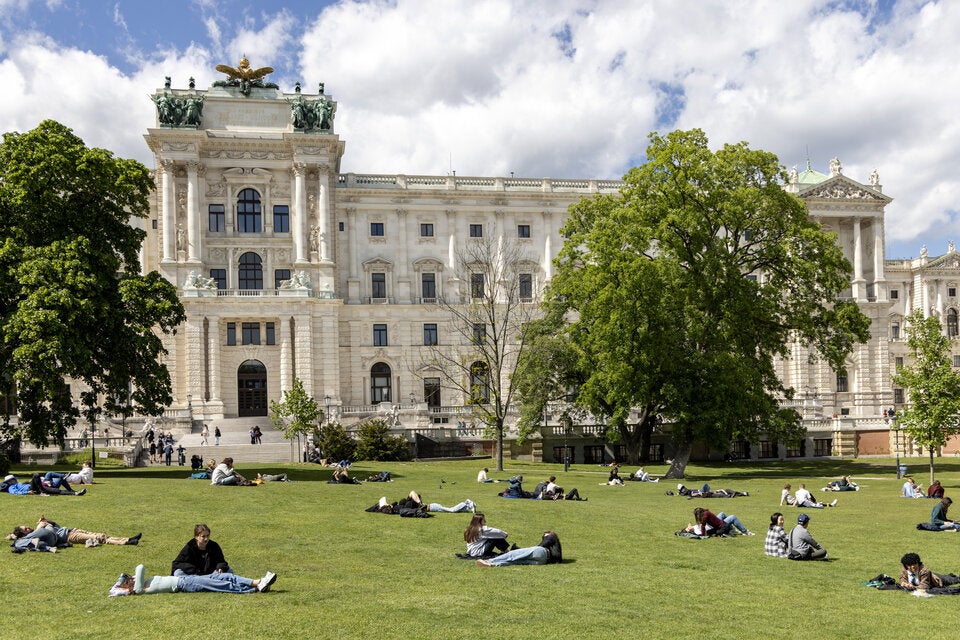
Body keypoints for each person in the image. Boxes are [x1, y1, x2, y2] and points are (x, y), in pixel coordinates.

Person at [110, 563, 276, 596]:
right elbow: (140, 567)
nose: (131, 579)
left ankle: (257, 581)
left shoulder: (144, 584)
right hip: (185, 585)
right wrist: (122, 587)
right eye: (128, 580)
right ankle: (254, 588)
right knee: (219, 584)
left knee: (221, 576)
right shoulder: (140, 590)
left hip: (185, 579)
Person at [8, 516, 141, 549]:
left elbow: (55, 526)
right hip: (70, 536)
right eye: (26, 529)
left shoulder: (38, 530)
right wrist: (40, 526)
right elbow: (49, 538)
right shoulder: (34, 534)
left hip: (70, 530)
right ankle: (127, 542)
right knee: (99, 537)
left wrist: (47, 521)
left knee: (101, 534)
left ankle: (127, 539)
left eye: (27, 527)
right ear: (24, 534)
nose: (28, 529)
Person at [476, 531, 562, 567]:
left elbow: (539, 546)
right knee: (516, 561)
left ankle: (490, 561)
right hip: (543, 561)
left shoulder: (551, 536)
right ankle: (494, 564)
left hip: (541, 552)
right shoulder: (557, 549)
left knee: (512, 555)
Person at [684, 507, 754, 536]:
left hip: (714, 525)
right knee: (733, 517)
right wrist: (703, 535)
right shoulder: (704, 516)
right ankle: (745, 531)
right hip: (715, 526)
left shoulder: (704, 516)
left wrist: (689, 527)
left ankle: (731, 529)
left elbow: (701, 525)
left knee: (722, 514)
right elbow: (703, 526)